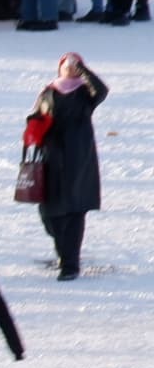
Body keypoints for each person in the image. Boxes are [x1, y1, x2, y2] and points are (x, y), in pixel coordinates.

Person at [26, 54, 106, 279]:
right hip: (50, 157)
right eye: (66, 65)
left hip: (77, 157)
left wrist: (84, 71)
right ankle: (64, 253)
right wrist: (33, 130)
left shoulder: (85, 92)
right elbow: (35, 115)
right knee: (49, 212)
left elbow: (101, 91)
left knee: (73, 211)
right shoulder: (48, 91)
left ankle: (70, 265)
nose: (70, 69)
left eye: (74, 65)